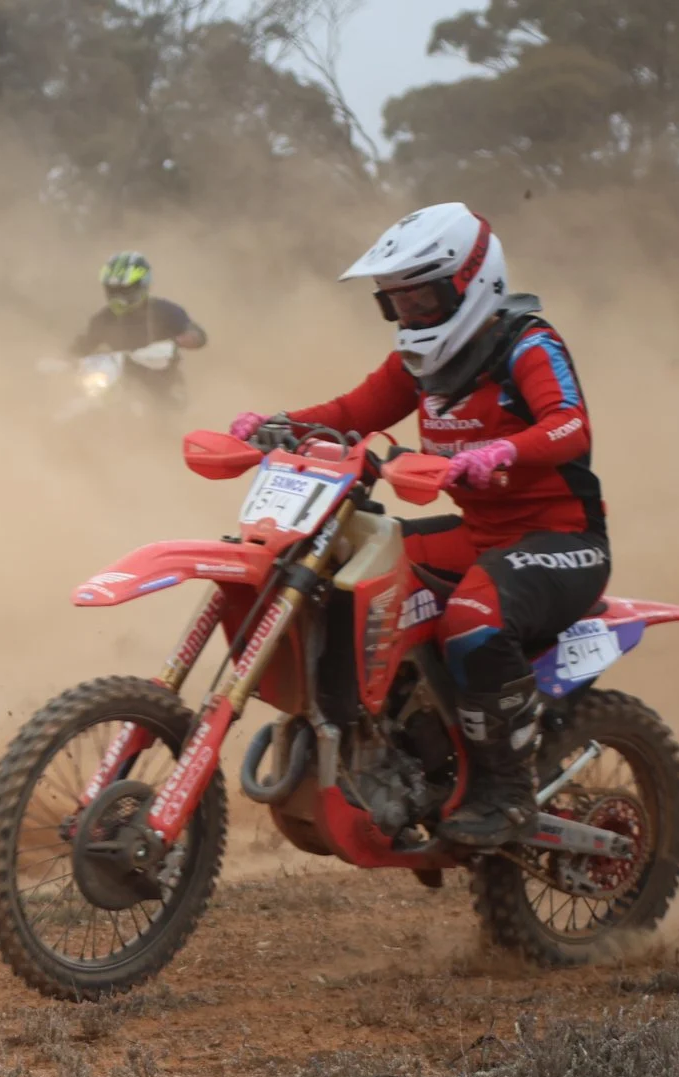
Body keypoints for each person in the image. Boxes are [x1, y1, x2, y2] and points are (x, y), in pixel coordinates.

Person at [224, 202, 605, 848]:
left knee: (474, 617)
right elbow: (351, 411)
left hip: (561, 540)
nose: (412, 316)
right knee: (355, 574)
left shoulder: (528, 344)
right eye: (397, 303)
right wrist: (278, 425)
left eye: (423, 298)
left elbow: (570, 424)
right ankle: (393, 742)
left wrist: (506, 451)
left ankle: (507, 794)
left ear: (474, 279)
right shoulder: (417, 365)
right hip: (480, 537)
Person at [70, 251, 206, 401]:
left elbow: (197, 335)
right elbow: (84, 345)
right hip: (116, 382)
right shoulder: (103, 319)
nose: (119, 297)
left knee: (171, 405)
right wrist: (65, 359)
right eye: (113, 291)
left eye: (125, 291)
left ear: (142, 286)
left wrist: (182, 340)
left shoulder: (165, 311)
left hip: (163, 381)